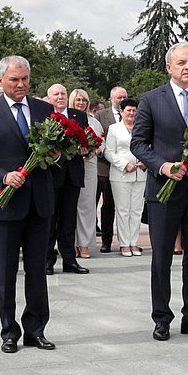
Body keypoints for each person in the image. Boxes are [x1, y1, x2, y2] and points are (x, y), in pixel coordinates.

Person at [0, 55, 58, 353]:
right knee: (5, 271)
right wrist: (3, 177)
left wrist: (55, 155)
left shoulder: (44, 109)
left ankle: (36, 329)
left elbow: (56, 149)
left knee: (36, 270)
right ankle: (9, 331)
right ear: (1, 80)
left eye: (25, 79)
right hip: (4, 205)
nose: (20, 84)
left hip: (38, 203)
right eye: (14, 80)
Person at [130, 42, 188, 341]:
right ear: (169, 66)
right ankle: (161, 317)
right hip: (164, 191)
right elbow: (139, 144)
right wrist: (163, 166)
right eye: (182, 62)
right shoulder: (151, 100)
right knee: (162, 258)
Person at [44, 84, 89, 274]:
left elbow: (86, 138)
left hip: (73, 174)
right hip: (51, 174)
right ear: (49, 97)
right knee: (50, 219)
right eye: (56, 94)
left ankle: (69, 260)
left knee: (69, 219)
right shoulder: (43, 113)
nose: (60, 96)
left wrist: (87, 148)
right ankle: (47, 260)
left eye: (63, 93)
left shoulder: (78, 115)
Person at [104, 98, 146, 257]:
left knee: (136, 210)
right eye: (129, 110)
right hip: (121, 175)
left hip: (140, 174)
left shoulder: (142, 128)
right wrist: (124, 164)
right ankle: (124, 244)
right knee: (123, 210)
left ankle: (134, 242)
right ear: (121, 111)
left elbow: (147, 147)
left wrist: (146, 162)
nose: (132, 113)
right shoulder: (114, 129)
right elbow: (109, 152)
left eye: (134, 110)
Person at [93, 86, 127, 254]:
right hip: (104, 168)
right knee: (105, 205)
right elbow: (97, 138)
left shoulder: (132, 114)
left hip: (125, 169)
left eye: (124, 97)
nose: (121, 100)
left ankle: (125, 241)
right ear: (111, 99)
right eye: (119, 97)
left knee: (119, 206)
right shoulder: (101, 115)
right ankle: (105, 241)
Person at [70, 89, 103, 259]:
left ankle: (84, 244)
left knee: (87, 206)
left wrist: (93, 151)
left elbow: (102, 143)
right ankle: (71, 243)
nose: (81, 103)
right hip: (72, 166)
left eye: (84, 100)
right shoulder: (68, 118)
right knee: (71, 207)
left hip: (89, 166)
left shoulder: (94, 122)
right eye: (78, 100)